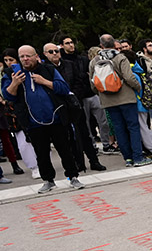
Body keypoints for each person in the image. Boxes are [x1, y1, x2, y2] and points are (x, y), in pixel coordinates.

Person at [2, 45, 85, 192]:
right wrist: (15, 83)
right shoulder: (11, 73)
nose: (25, 59)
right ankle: (48, 180)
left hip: (56, 118)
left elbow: (64, 88)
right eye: (22, 57)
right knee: (41, 153)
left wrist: (44, 81)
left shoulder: (48, 69)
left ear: (36, 56)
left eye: (28, 56)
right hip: (33, 122)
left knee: (65, 149)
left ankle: (73, 177)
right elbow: (8, 96)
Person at [42, 42, 105, 172]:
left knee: (84, 134)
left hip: (75, 104)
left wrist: (73, 97)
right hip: (59, 108)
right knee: (69, 138)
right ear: (45, 54)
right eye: (51, 52)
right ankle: (78, 163)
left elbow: (79, 82)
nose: (55, 54)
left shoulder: (69, 65)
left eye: (56, 51)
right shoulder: (44, 70)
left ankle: (94, 161)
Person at [89, 34, 148, 167]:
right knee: (133, 127)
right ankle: (138, 157)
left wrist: (102, 94)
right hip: (126, 98)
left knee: (118, 129)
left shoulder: (94, 61)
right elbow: (129, 77)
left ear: (101, 45)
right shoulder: (120, 57)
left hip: (108, 101)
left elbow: (92, 85)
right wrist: (138, 88)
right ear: (115, 45)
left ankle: (127, 158)